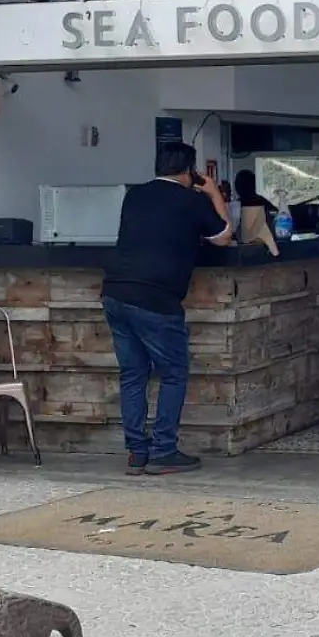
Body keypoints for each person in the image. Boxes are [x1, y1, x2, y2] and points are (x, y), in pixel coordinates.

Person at [101, 142, 233, 476]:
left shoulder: (135, 195)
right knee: (173, 373)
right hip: (157, 298)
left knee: (133, 375)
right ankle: (163, 450)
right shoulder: (192, 201)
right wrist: (214, 193)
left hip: (116, 293)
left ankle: (136, 453)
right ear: (190, 170)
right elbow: (223, 237)